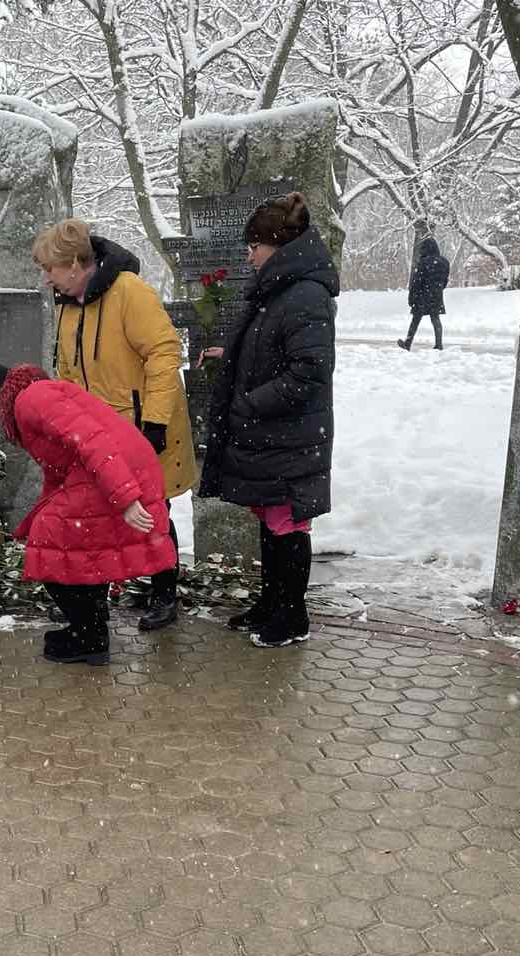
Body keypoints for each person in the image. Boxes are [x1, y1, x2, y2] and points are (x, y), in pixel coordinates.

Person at [34, 218, 194, 632]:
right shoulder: (69, 305)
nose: (46, 278)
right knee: (97, 514)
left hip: (142, 427)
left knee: (153, 511)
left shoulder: (129, 293)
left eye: (50, 269)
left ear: (73, 264)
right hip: (98, 435)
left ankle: (164, 593)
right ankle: (94, 600)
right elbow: (69, 372)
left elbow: (163, 353)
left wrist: (154, 422)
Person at [196, 193, 338, 649]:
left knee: (287, 526)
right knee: (271, 521)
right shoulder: (282, 290)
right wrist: (231, 356)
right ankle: (271, 603)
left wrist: (252, 403)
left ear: (277, 244)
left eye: (254, 244)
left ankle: (292, 616)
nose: (248, 254)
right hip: (276, 436)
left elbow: (309, 372)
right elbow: (272, 349)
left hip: (288, 436)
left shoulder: (304, 295)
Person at [0, 358, 174, 665]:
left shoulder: (31, 401)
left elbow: (92, 441)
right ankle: (90, 629)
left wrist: (126, 498)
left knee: (50, 544)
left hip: (116, 469)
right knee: (79, 541)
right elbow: (57, 472)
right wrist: (35, 516)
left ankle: (88, 635)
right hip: (111, 469)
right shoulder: (30, 398)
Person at [398, 236, 448, 351]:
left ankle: (408, 343)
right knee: (435, 318)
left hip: (422, 295)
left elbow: (416, 282)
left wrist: (412, 298)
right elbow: (445, 281)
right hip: (437, 295)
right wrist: (438, 288)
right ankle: (439, 344)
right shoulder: (444, 262)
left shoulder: (423, 262)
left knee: (415, 320)